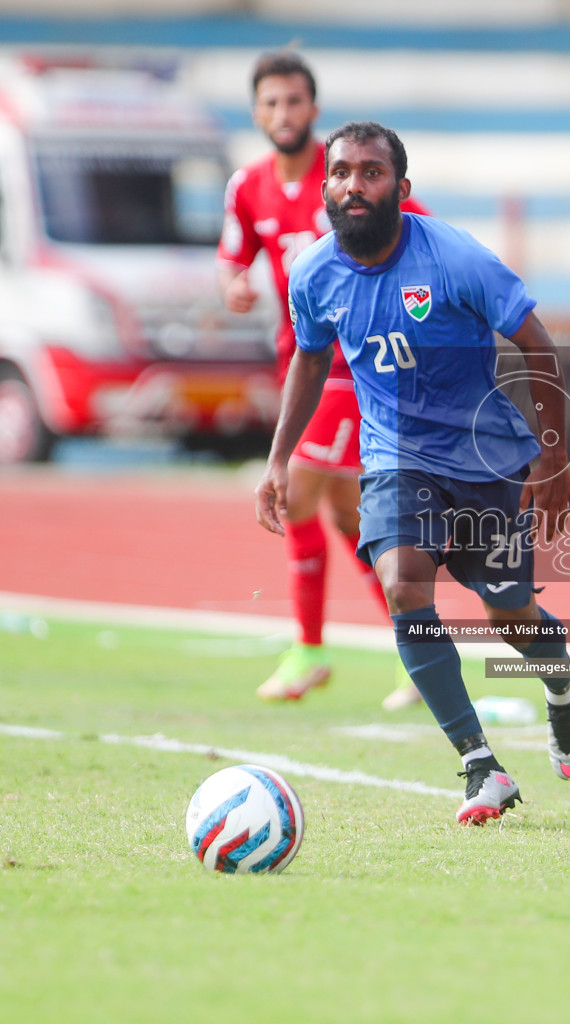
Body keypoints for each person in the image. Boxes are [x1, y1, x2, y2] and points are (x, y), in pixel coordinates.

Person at [256, 121, 570, 825]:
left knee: (508, 611)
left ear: (401, 189)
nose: (355, 185)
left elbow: (534, 342)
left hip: (487, 459)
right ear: (324, 189)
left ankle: (560, 680)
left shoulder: (455, 257)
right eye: (342, 173)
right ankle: (479, 765)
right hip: (396, 458)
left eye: (371, 173)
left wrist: (553, 457)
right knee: (404, 583)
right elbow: (311, 359)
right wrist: (279, 456)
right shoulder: (313, 274)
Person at [218, 52, 429, 708]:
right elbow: (233, 260)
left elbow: (419, 228)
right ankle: (416, 648)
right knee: (341, 514)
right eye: (271, 103)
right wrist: (236, 289)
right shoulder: (246, 186)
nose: (283, 114)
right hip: (302, 368)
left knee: (297, 488)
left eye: (294, 102)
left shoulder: (345, 175)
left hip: (358, 368)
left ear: (313, 108)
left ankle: (311, 648)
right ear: (257, 112)